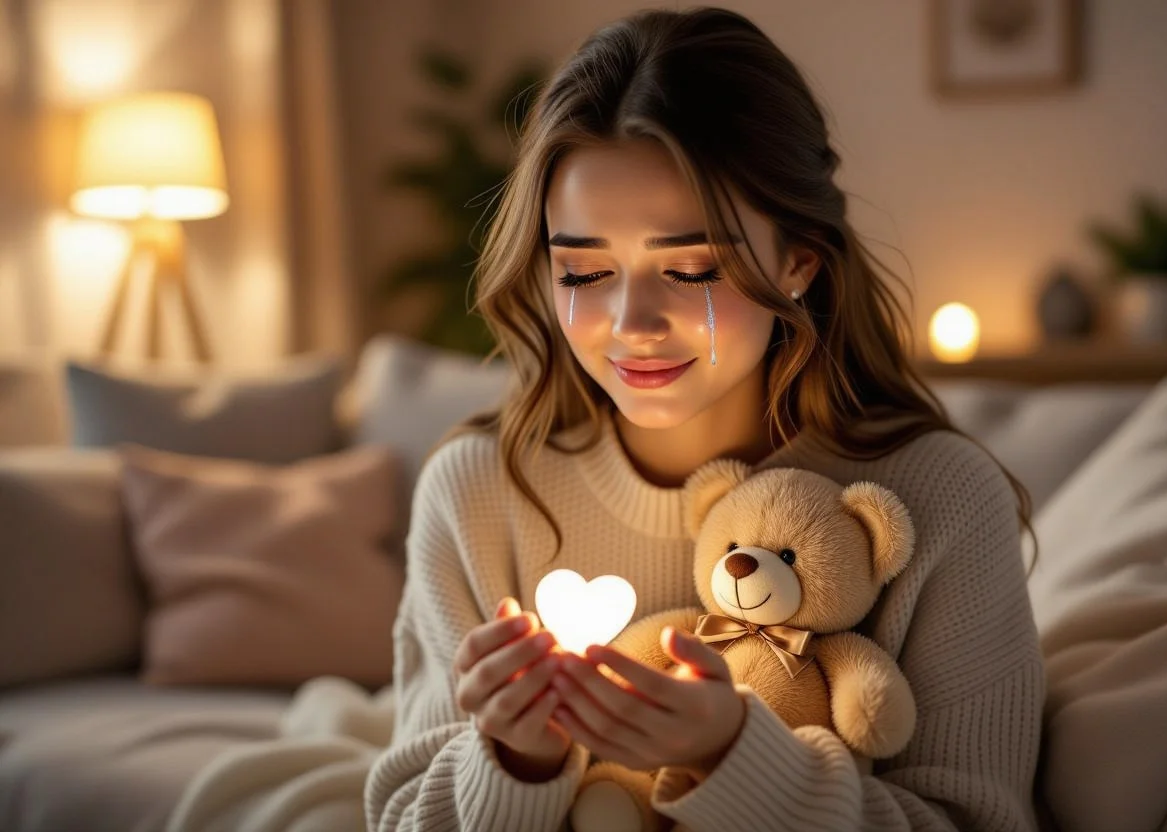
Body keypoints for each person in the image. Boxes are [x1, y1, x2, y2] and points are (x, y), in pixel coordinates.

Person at [364, 7, 1043, 831]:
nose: (631, 322)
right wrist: (514, 761)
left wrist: (736, 760)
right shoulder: (478, 493)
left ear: (799, 259)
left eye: (689, 269)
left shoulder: (935, 500)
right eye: (582, 272)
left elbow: (976, 820)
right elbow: (403, 817)